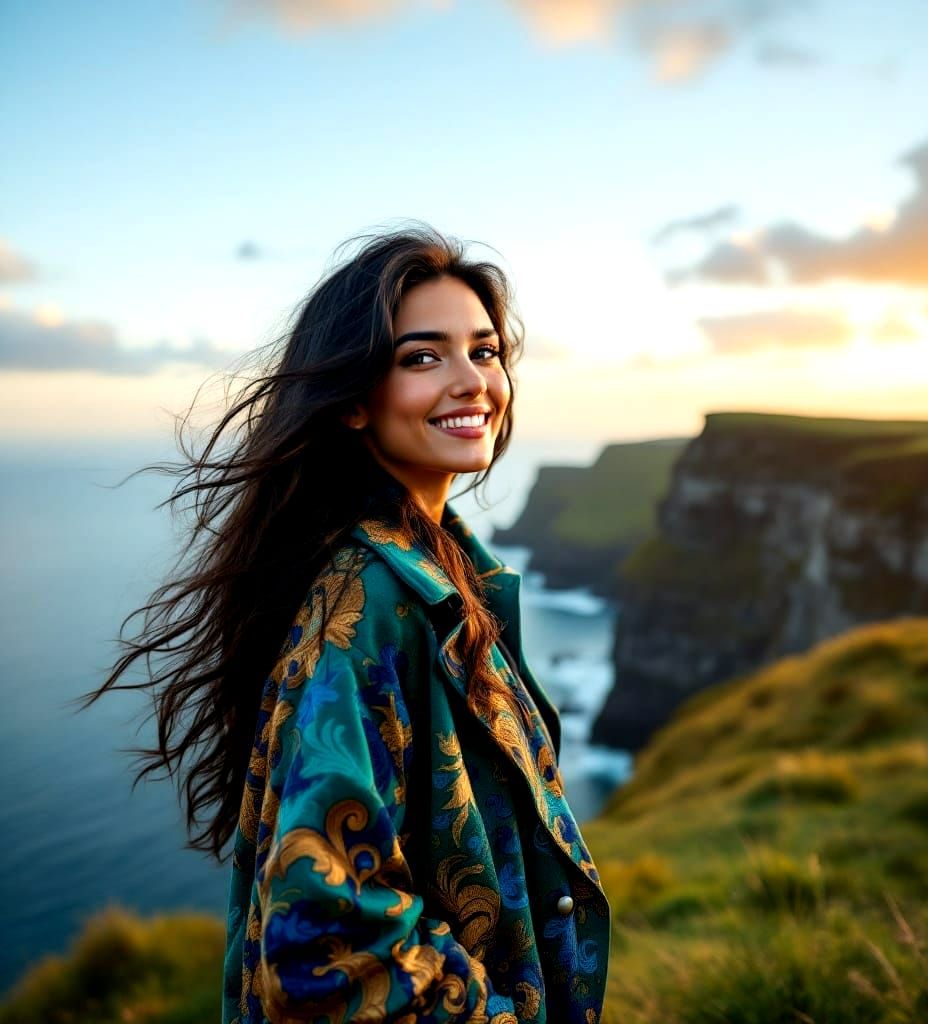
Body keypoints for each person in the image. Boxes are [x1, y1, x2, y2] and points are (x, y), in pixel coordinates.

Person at [89, 224, 610, 1023]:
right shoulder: (367, 604)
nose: (473, 381)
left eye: (485, 350)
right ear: (355, 401)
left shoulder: (438, 571)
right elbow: (322, 947)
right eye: (423, 358)